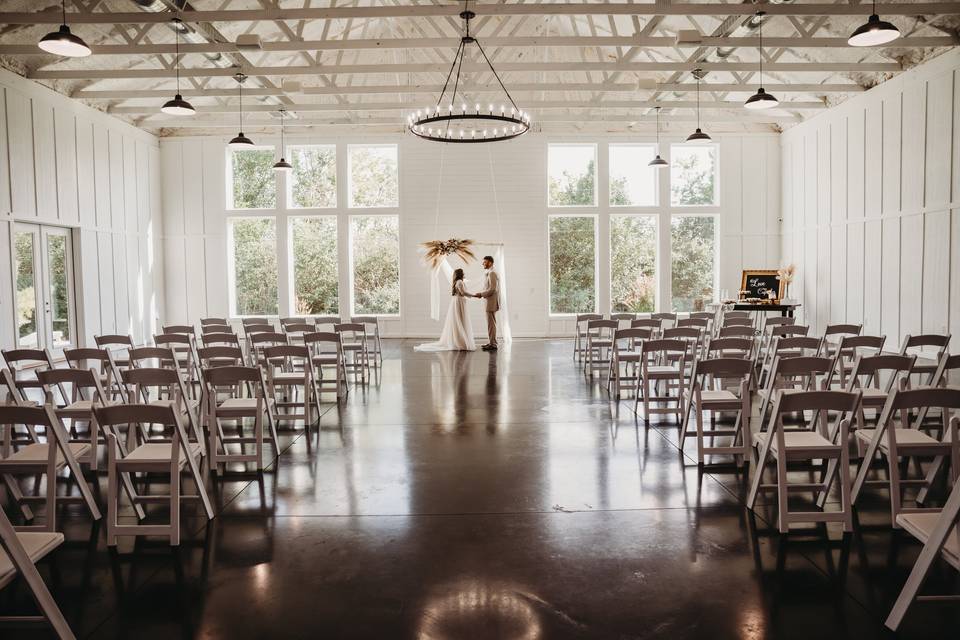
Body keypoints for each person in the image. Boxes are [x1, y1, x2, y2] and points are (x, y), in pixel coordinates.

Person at [414, 268, 476, 351]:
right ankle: (460, 342)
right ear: (460, 274)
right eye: (463, 272)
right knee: (460, 320)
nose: (464, 273)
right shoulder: (460, 282)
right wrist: (475, 295)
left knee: (457, 321)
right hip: (459, 302)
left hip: (456, 302)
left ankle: (458, 340)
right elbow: (463, 293)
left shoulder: (457, 282)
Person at [474, 255, 500, 352]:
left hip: (491, 302)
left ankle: (493, 344)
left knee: (491, 324)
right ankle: (492, 342)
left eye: (484, 262)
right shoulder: (490, 272)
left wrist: (481, 294)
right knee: (491, 324)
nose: (483, 264)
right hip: (489, 301)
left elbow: (492, 289)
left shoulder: (492, 273)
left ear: (490, 262)